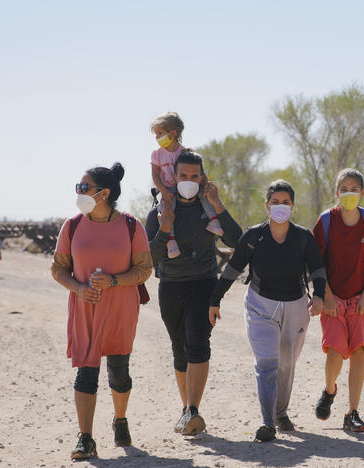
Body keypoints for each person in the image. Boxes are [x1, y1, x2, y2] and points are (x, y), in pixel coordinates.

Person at [209, 179, 326, 442]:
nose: (280, 207)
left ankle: (280, 413)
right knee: (267, 363)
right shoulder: (253, 236)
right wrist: (215, 299)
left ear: (293, 206)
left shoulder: (303, 237)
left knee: (286, 364)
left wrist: (319, 295)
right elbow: (233, 268)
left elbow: (317, 269)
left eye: (285, 203)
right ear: (267, 205)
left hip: (296, 305)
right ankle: (267, 422)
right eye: (275, 202)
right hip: (260, 304)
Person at [51, 162, 153, 460]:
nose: (79, 192)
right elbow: (58, 268)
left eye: (84, 187)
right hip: (84, 308)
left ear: (104, 193)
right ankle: (86, 438)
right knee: (86, 372)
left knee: (119, 373)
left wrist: (115, 281)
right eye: (78, 187)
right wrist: (80, 288)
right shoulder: (72, 226)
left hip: (121, 308)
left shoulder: (132, 226)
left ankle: (120, 420)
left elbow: (145, 269)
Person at [146, 150, 242, 436]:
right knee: (180, 349)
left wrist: (218, 203)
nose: (189, 181)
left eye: (194, 176)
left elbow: (238, 241)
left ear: (203, 178)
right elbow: (149, 260)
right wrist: (164, 230)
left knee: (197, 344)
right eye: (183, 176)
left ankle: (194, 410)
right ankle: (186, 409)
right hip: (171, 286)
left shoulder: (209, 207)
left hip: (203, 284)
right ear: (172, 178)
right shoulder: (159, 211)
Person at [312, 168, 364, 433]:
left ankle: (352, 412)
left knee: (359, 353)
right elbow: (316, 263)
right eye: (344, 189)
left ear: (362, 193)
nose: (349, 193)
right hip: (333, 298)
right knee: (334, 352)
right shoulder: (326, 221)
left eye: (354, 189)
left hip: (361, 298)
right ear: (336, 192)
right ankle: (329, 390)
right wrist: (326, 296)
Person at [149, 112, 223, 260]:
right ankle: (171, 242)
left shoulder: (186, 152)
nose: (157, 137)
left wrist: (206, 185)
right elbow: (155, 176)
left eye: (160, 133)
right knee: (165, 210)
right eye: (156, 134)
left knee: (204, 196)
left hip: (188, 187)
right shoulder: (157, 154)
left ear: (173, 133)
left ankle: (214, 222)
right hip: (168, 189)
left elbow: (198, 171)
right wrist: (163, 191)